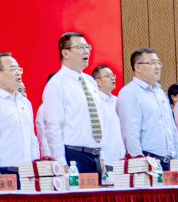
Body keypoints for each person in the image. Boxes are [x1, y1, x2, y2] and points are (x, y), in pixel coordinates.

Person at [38, 31, 123, 175]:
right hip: (73, 156)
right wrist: (60, 161)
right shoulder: (57, 84)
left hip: (95, 156)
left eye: (87, 47)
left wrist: (102, 155)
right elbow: (52, 125)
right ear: (66, 53)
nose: (86, 51)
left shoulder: (90, 81)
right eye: (81, 47)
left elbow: (97, 120)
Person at [0, 51, 36, 177]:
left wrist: (37, 170)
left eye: (19, 69)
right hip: (5, 173)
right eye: (13, 69)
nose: (18, 73)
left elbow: (32, 139)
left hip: (29, 173)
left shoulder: (25, 103)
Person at [115, 48, 176, 167]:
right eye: (152, 63)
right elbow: (130, 133)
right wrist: (139, 163)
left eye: (159, 63)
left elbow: (172, 128)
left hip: (170, 162)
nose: (158, 67)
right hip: (148, 161)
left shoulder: (160, 92)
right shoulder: (129, 93)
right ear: (138, 67)